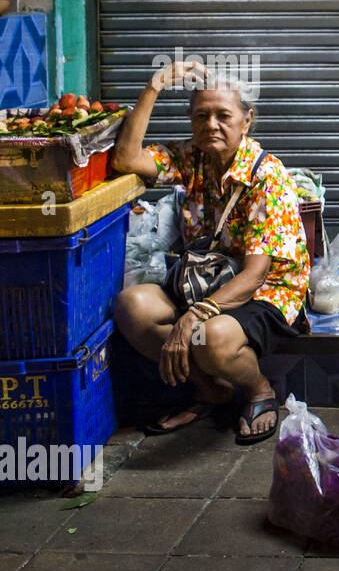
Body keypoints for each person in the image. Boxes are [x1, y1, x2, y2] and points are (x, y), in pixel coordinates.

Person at [112, 60, 310, 443]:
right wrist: (153, 86)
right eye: (201, 116)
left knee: (209, 336)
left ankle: (259, 389)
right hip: (205, 281)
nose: (211, 125)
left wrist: (191, 319)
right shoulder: (192, 159)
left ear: (246, 121)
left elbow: (255, 274)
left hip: (264, 289)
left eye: (223, 115)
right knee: (132, 306)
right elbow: (124, 159)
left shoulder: (267, 177)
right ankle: (210, 389)